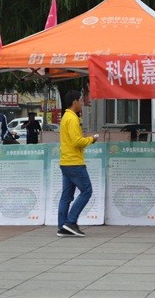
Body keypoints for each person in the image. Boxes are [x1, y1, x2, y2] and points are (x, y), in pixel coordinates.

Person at [57, 90, 99, 238]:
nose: (82, 103)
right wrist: (91, 139)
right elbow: (77, 141)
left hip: (65, 162)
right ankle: (70, 222)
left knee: (66, 196)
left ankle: (62, 227)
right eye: (81, 100)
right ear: (74, 102)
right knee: (87, 191)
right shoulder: (72, 118)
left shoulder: (65, 117)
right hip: (74, 162)